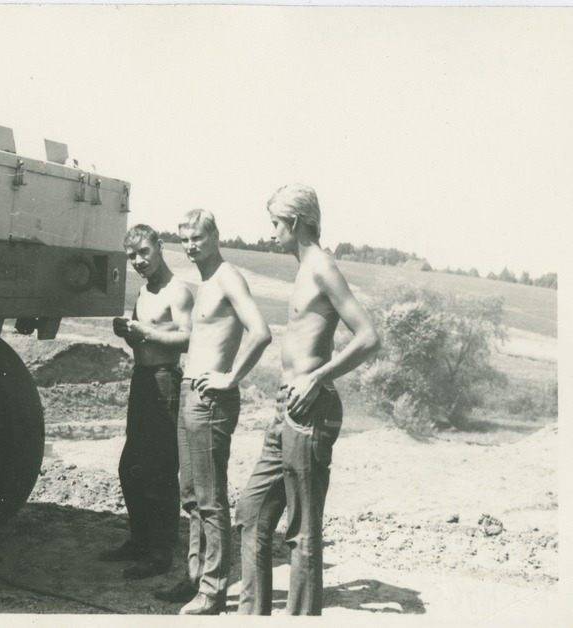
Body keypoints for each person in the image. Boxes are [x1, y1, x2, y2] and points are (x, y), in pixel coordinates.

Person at [235, 184, 380, 615]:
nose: (272, 232)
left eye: (276, 223)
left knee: (302, 531)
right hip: (287, 407)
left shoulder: (321, 267)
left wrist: (317, 377)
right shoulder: (303, 269)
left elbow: (369, 337)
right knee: (251, 511)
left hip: (310, 409)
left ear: (295, 222)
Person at [155, 209, 272, 615]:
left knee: (210, 499)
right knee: (191, 496)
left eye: (198, 238)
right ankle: (195, 578)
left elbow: (261, 332)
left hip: (211, 399)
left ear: (216, 236)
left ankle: (213, 590)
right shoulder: (204, 281)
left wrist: (231, 377)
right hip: (190, 392)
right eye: (184, 239)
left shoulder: (227, 277)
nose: (190, 246)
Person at [100, 224, 194, 579]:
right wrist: (128, 334)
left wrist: (145, 332)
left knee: (160, 468)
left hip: (166, 380)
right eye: (132, 256)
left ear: (160, 247)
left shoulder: (177, 290)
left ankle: (160, 551)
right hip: (142, 379)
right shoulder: (144, 291)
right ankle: (139, 540)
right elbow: (142, 342)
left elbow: (188, 339)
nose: (138, 261)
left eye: (144, 253)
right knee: (131, 466)